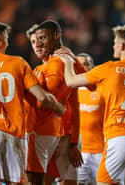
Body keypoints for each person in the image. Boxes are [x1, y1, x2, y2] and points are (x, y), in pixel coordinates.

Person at [0, 21, 65, 185]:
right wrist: (60, 107)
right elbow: (43, 97)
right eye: (7, 37)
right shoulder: (18, 63)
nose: (8, 42)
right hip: (14, 133)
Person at [62, 24, 125, 185]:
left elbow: (70, 81)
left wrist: (67, 61)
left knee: (104, 182)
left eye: (115, 42)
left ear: (123, 46)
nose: (113, 45)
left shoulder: (109, 69)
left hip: (119, 137)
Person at [25, 21, 84, 185]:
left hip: (54, 136)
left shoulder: (56, 66)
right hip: (51, 135)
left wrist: (72, 142)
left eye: (41, 39)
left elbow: (73, 105)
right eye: (33, 42)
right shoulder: (37, 71)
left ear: (54, 37)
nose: (37, 45)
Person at [76, 53, 104, 185]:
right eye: (79, 64)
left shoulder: (102, 90)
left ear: (92, 68)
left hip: (102, 152)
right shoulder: (70, 92)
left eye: (86, 64)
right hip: (79, 153)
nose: (83, 67)